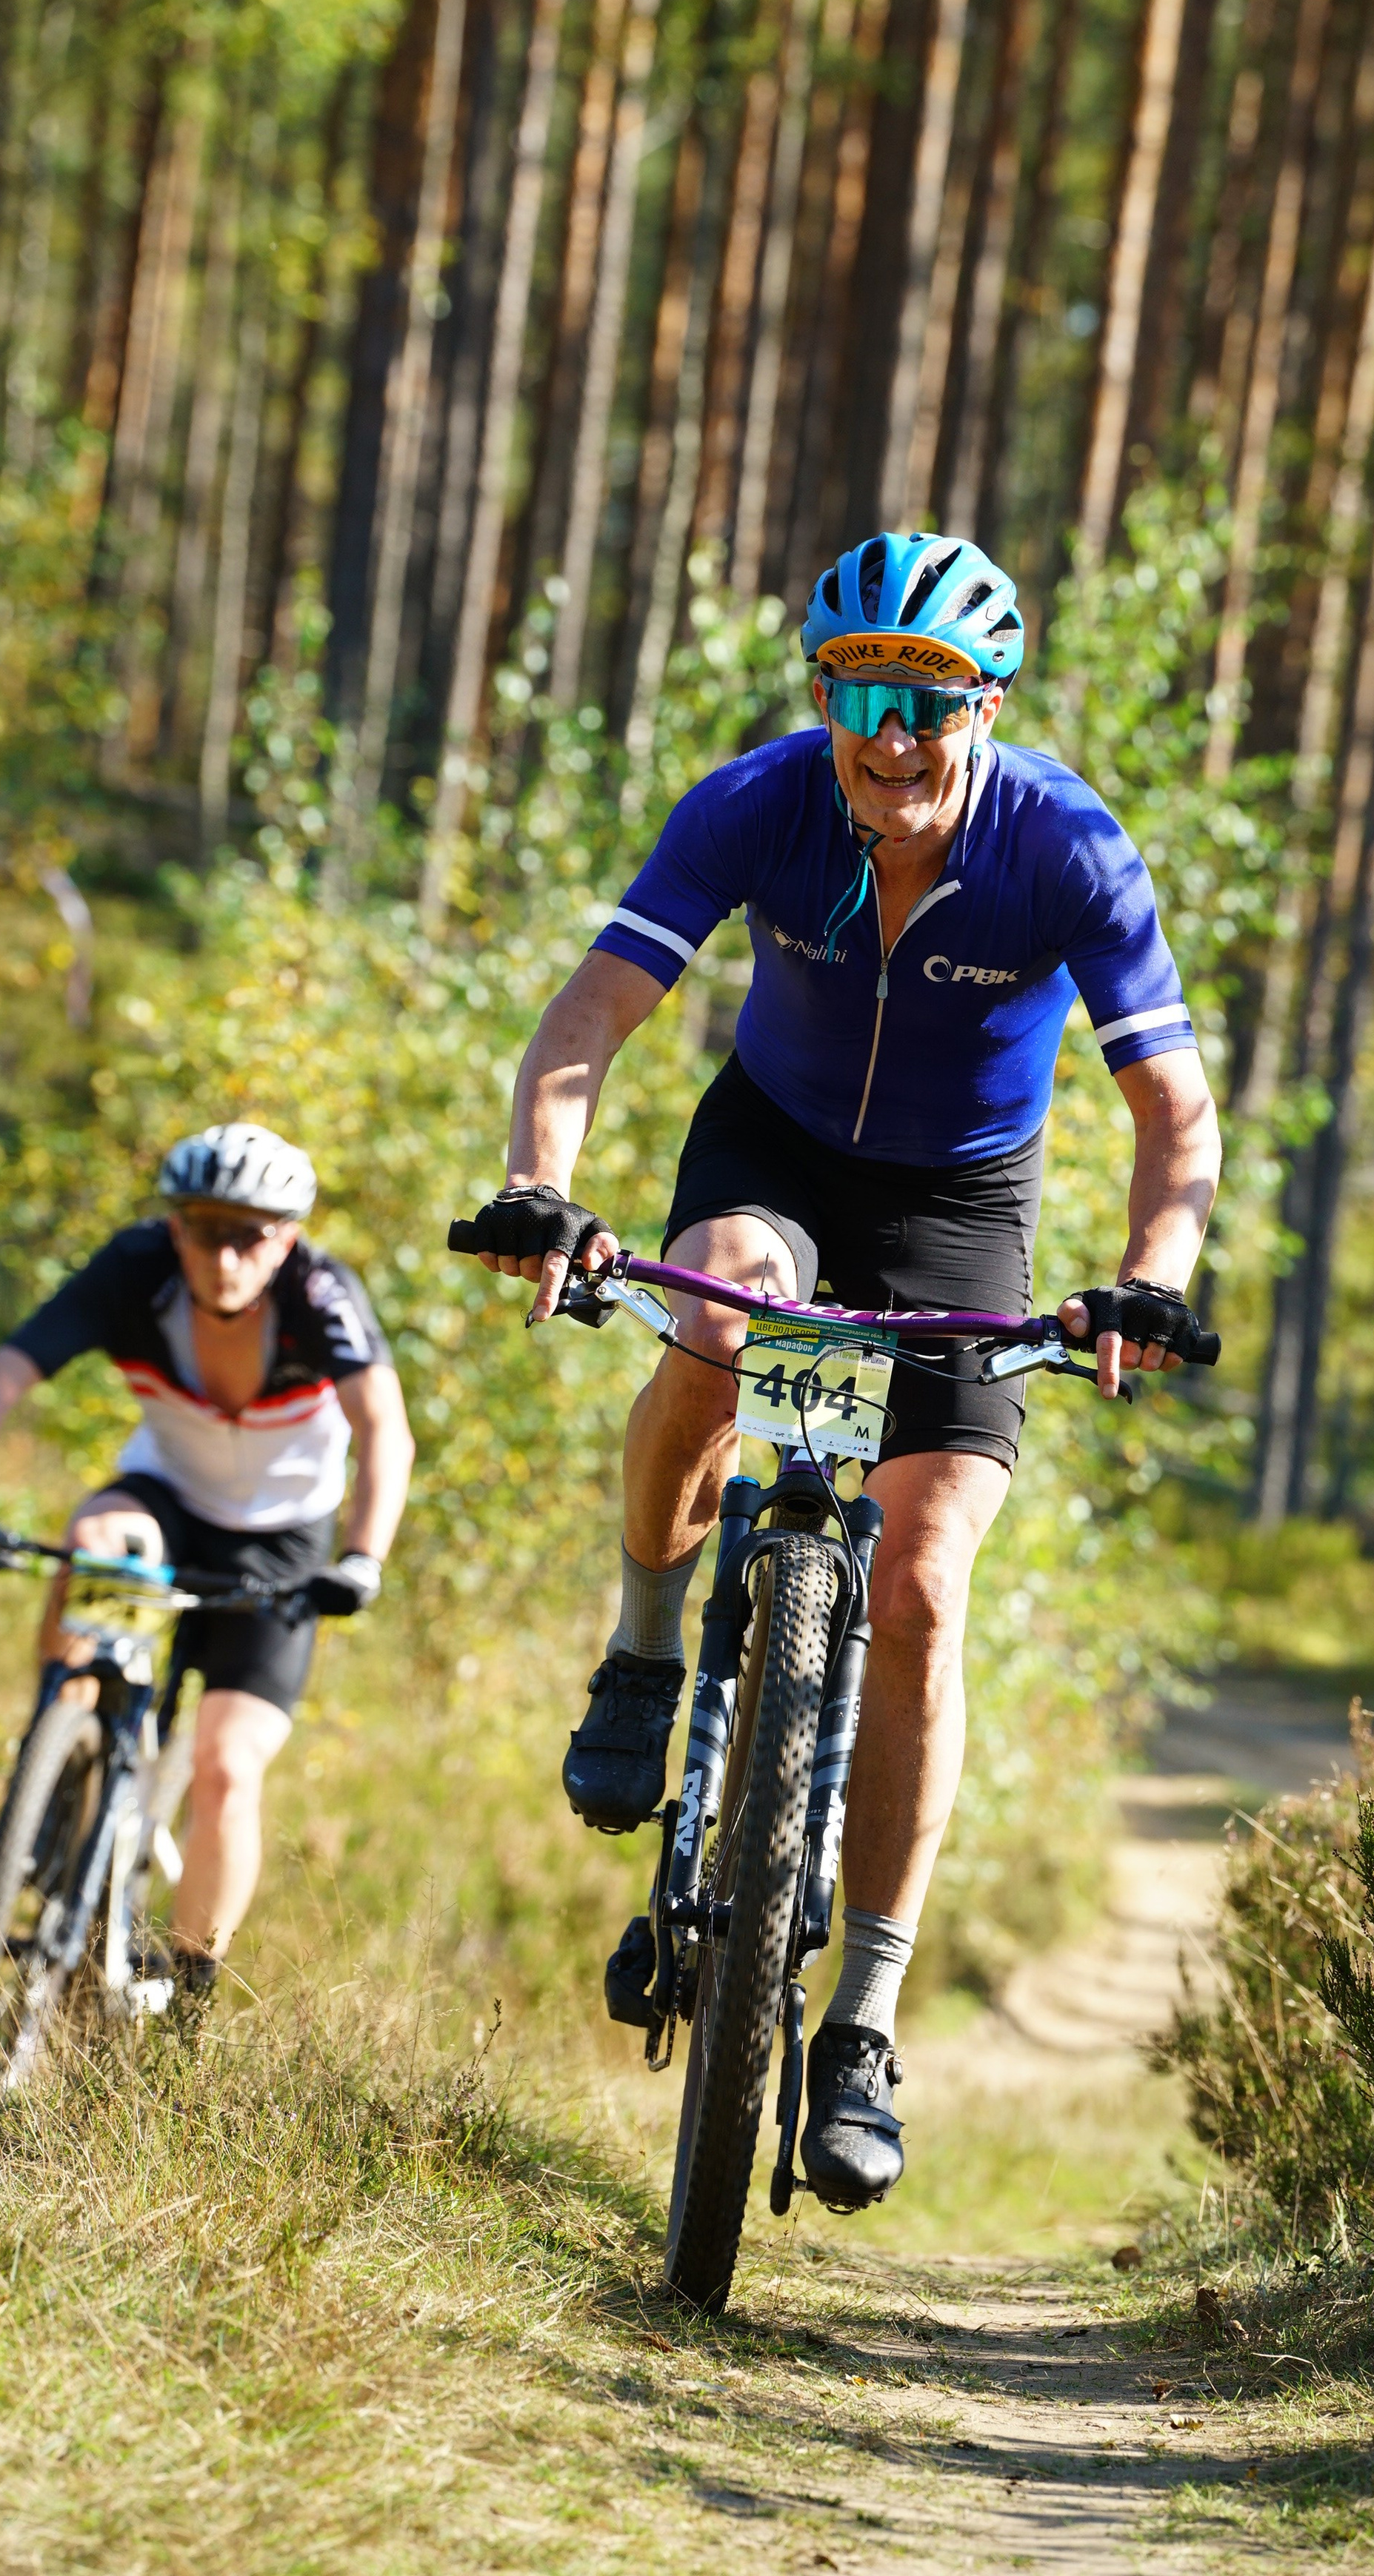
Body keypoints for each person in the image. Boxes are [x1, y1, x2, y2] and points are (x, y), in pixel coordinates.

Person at [464, 530, 1220, 2207]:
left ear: (986, 702)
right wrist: (542, 1182)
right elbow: (590, 1010)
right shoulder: (755, 806)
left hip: (964, 1202)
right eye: (862, 691)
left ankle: (862, 2020)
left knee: (927, 1587)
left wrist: (1147, 1280)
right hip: (777, 1154)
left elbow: (1171, 1114)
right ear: (823, 694)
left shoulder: (1063, 845)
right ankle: (647, 1650)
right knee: (712, 1313)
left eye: (931, 697)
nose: (893, 731)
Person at [0, 1123, 414, 2015]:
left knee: (224, 1765)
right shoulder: (133, 1269)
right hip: (165, 1500)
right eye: (206, 1227)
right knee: (97, 1533)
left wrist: (361, 1558)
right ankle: (60, 1758)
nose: (226, 1254)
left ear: (287, 1237)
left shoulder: (321, 1293)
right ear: (174, 1227)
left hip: (283, 1538)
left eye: (252, 1234)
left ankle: (190, 1994)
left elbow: (385, 1431)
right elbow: (12, 1369)